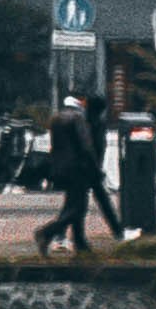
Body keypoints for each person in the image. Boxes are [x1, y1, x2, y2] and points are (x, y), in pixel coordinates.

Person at [35, 85, 108, 260]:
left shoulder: (57, 118)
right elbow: (86, 146)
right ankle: (47, 232)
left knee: (74, 205)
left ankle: (81, 244)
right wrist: (95, 168)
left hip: (60, 168)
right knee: (78, 208)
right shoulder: (77, 119)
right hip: (78, 169)